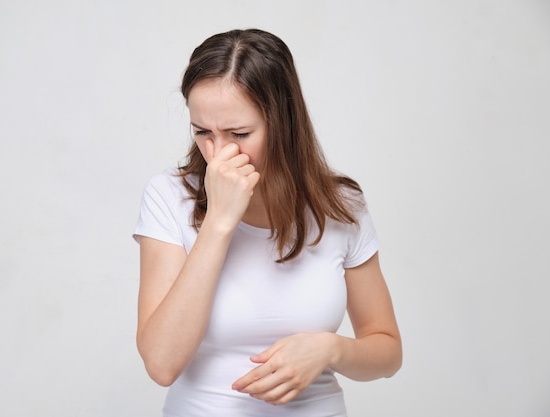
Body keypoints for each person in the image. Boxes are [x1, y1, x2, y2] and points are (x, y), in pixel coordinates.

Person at [133, 28, 402, 417]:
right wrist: (220, 222)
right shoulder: (168, 197)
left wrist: (331, 349)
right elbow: (161, 364)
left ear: (282, 123)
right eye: (202, 132)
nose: (219, 153)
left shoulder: (340, 204)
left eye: (239, 133)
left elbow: (387, 350)